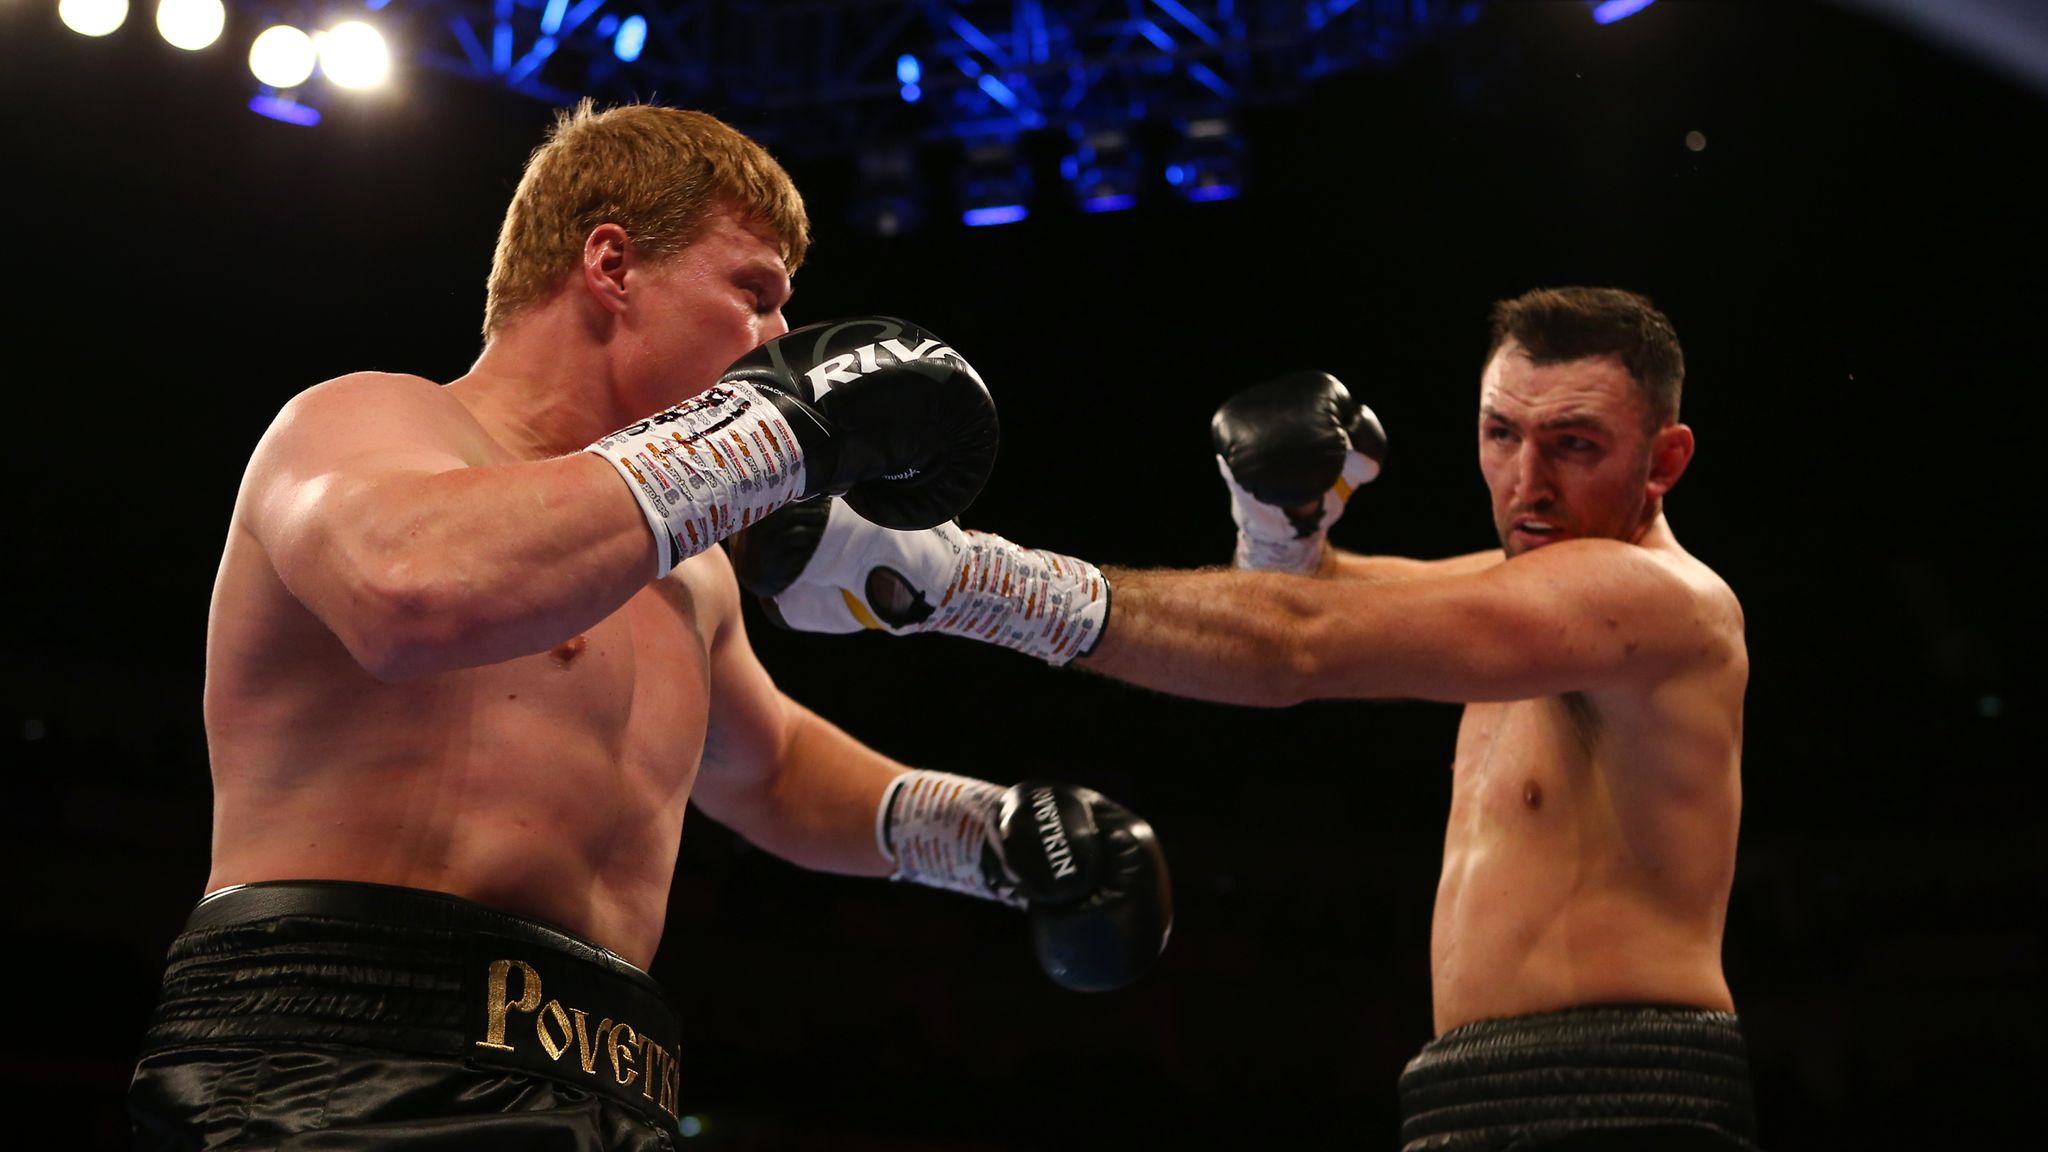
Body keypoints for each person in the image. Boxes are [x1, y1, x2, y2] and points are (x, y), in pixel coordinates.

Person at [128, 98, 1172, 1152]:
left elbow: (769, 774)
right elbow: (411, 591)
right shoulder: (368, 421)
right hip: (341, 1057)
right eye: (753, 294)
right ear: (612, 265)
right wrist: (766, 433)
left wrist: (986, 835)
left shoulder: (690, 569)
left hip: (612, 1077)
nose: (779, 340)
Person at [733, 286, 1762, 1150]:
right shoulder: (1519, 590)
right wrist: (1280, 529)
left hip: (1625, 1092)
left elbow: (1293, 646)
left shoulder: (1654, 602)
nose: (1526, 482)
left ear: (1663, 461)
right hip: (1465, 1092)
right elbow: (1309, 601)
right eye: (1501, 434)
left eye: (1573, 445)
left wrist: (953, 576)